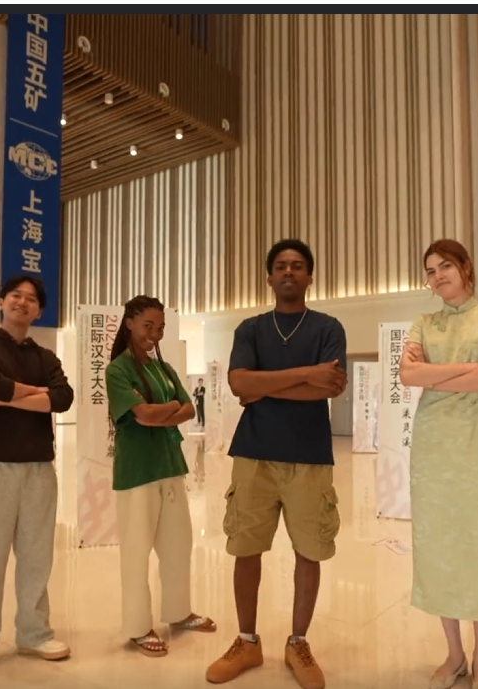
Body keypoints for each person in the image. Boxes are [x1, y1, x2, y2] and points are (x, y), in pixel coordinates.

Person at [206, 239, 346, 689]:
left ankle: (298, 642)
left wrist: (263, 386)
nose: (289, 271)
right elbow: (238, 384)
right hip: (254, 454)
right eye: (281, 265)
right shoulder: (250, 328)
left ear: (309, 277)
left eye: (298, 265)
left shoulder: (328, 327)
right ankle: (247, 641)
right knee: (246, 549)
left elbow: (328, 388)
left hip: (310, 456)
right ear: (269, 277)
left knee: (309, 551)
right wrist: (305, 374)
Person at [398, 239, 478, 689]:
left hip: (477, 448)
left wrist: (436, 375)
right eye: (430, 271)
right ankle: (454, 653)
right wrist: (476, 370)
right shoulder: (423, 323)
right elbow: (407, 376)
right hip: (432, 450)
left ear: (466, 267)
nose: (438, 276)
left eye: (445, 265)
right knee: (440, 549)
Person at [0, 275, 75, 683]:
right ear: (0, 302)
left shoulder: (45, 356)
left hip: (38, 468)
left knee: (37, 558)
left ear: (39, 310)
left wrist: (9, 397)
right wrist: (34, 394)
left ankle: (35, 633)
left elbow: (63, 398)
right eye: (15, 296)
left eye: (31, 299)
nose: (23, 302)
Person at [105, 295, 216, 657]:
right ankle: (138, 628)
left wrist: (161, 411)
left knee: (178, 545)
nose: (154, 333)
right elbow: (142, 415)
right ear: (130, 324)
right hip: (137, 471)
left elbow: (188, 409)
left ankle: (179, 612)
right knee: (136, 552)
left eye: (161, 327)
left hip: (170, 466)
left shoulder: (163, 368)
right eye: (148, 325)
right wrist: (167, 409)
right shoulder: (117, 370)